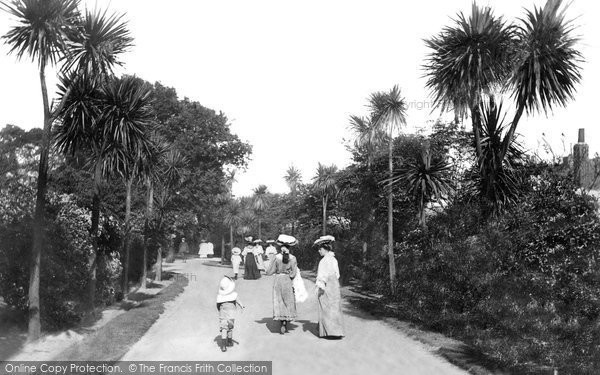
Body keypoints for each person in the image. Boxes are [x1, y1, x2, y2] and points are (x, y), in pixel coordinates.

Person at [266, 234, 298, 334]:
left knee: (279, 300)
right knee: (287, 300)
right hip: (287, 280)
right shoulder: (293, 258)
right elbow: (294, 273)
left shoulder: (276, 257)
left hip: (278, 280)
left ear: (281, 247)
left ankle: (281, 320)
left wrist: (269, 271)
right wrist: (290, 276)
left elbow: (270, 271)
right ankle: (286, 320)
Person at [314, 235, 344, 339]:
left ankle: (329, 331)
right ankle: (337, 331)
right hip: (334, 284)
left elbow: (322, 276)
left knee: (325, 306)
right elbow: (337, 274)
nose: (319, 251)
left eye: (320, 249)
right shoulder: (333, 259)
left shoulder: (323, 261)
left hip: (326, 285)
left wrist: (320, 288)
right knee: (334, 307)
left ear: (325, 249)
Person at [216, 276, 244, 352]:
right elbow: (238, 301)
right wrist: (241, 305)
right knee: (230, 328)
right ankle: (229, 341)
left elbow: (218, 305)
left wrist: (220, 310)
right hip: (231, 313)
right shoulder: (234, 294)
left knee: (224, 328)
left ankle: (224, 346)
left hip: (223, 313)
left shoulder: (220, 296)